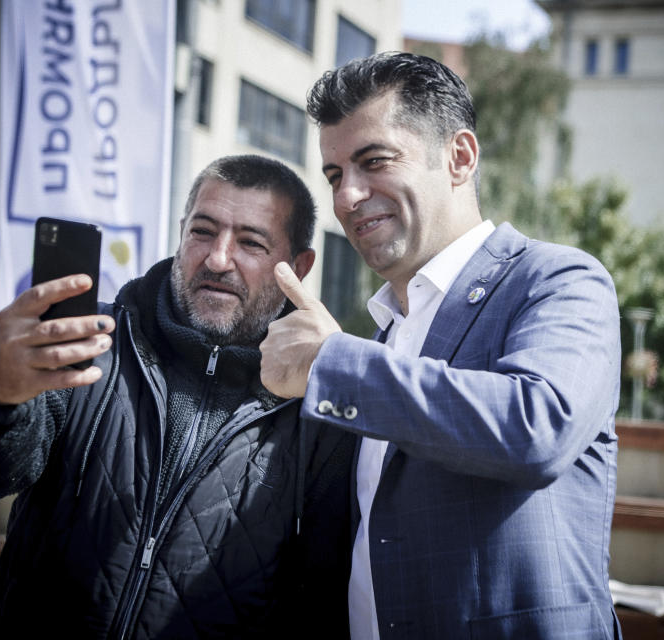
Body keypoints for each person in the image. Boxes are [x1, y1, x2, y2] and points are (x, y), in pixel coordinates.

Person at [259, 52, 623, 639]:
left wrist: (332, 360)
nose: (347, 196)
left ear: (459, 157)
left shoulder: (558, 280)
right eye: (333, 175)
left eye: (373, 161)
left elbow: (537, 428)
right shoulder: (385, 333)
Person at [0, 155, 353, 639]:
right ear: (181, 231)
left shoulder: (323, 410)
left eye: (250, 242)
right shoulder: (86, 345)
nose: (217, 258)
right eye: (202, 232)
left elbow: (324, 604)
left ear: (300, 265)